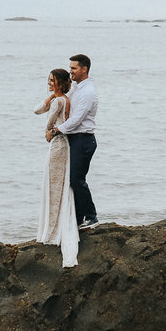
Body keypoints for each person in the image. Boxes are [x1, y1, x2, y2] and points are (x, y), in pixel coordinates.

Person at [34, 68, 78, 267]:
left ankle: (52, 230)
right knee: (58, 186)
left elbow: (49, 120)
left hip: (58, 144)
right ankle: (54, 227)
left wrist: (48, 131)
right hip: (62, 143)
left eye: (52, 81)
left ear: (60, 82)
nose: (49, 83)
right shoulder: (61, 99)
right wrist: (51, 96)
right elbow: (37, 109)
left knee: (53, 187)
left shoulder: (59, 102)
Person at [53, 53, 98, 230]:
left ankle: (91, 217)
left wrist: (56, 130)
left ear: (84, 69)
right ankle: (78, 219)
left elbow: (77, 119)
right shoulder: (76, 88)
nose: (70, 71)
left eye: (73, 68)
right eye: (70, 67)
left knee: (76, 179)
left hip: (84, 139)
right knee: (71, 179)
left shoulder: (88, 91)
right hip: (73, 139)